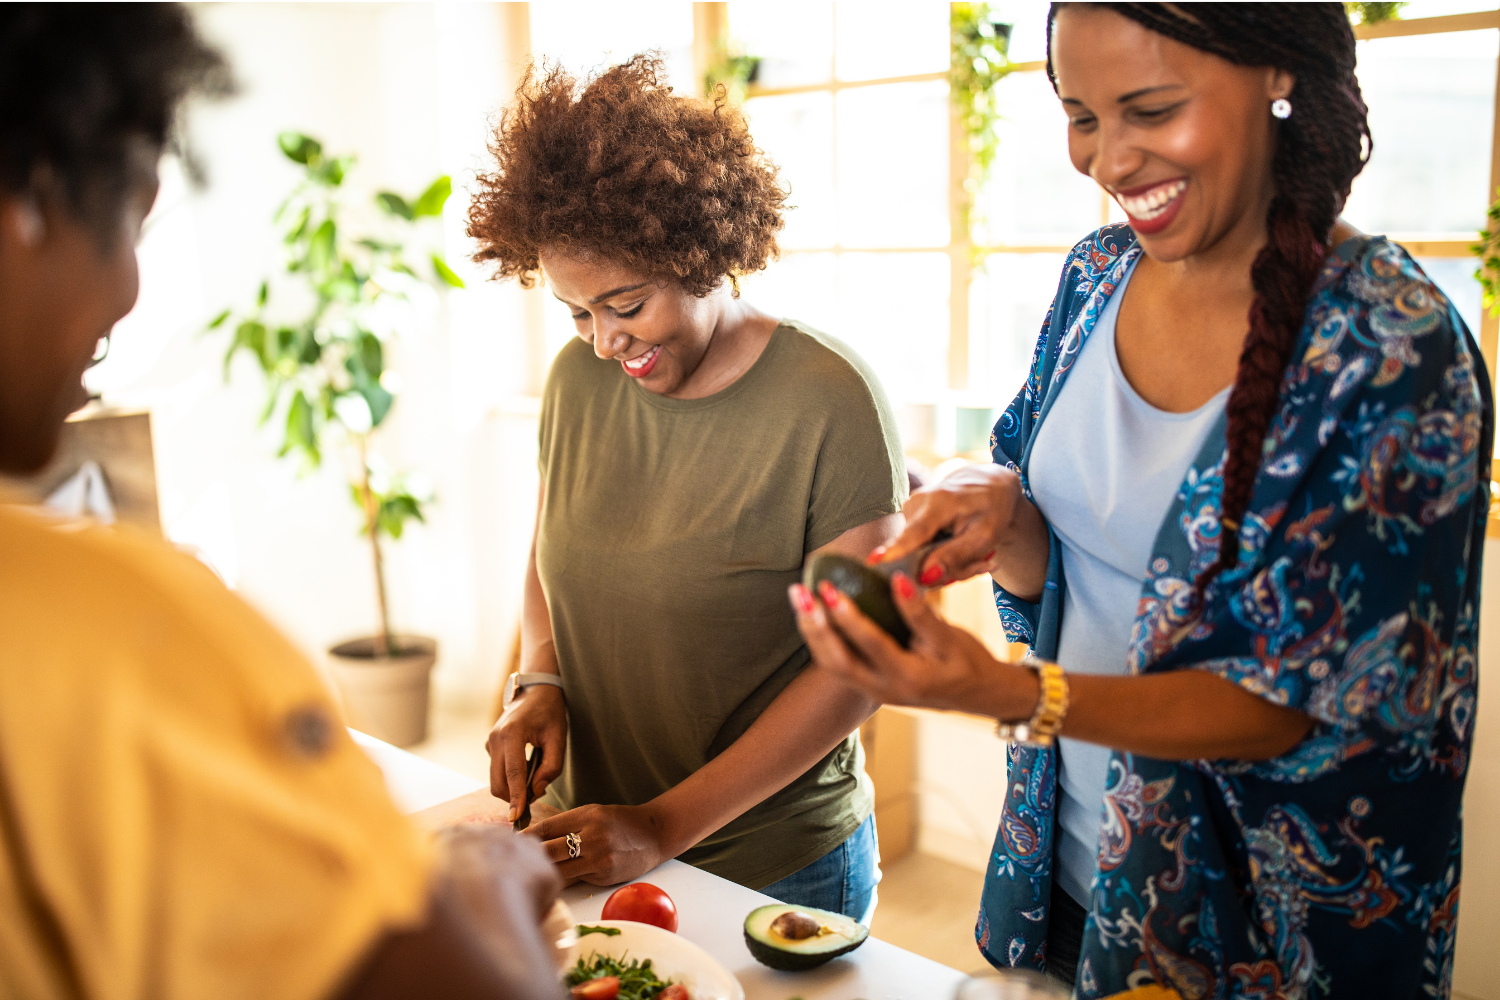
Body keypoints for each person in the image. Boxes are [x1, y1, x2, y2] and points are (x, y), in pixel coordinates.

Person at [790, 3, 1490, 997]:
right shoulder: (1095, 277)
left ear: (1276, 74)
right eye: (1080, 115)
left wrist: (1006, 693)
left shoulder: (1391, 347)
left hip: (1263, 935)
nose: (1109, 162)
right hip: (1073, 869)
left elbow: (1291, 707)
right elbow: (1078, 573)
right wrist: (1011, 521)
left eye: (1150, 109)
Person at [0, 6, 566, 998]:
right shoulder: (114, 624)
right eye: (132, 216)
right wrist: (483, 871)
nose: (130, 290)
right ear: (31, 206)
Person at [468, 54, 906, 921]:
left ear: (703, 253)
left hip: (773, 865)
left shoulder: (829, 399)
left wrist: (664, 825)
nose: (603, 342)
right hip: (590, 841)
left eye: (626, 306)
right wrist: (540, 682)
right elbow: (551, 546)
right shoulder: (576, 380)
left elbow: (860, 667)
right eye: (578, 313)